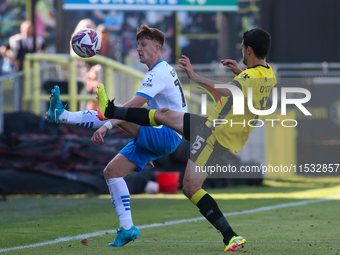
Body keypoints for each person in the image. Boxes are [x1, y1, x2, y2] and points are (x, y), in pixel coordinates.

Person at [92, 28, 277, 252]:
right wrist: (239, 71)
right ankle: (112, 110)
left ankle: (231, 235)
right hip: (218, 130)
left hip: (214, 135)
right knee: (163, 115)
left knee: (190, 187)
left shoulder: (249, 77)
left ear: (248, 50)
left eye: (242, 49)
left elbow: (229, 91)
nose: (241, 52)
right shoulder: (268, 74)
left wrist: (195, 77)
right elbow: (251, 86)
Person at [46, 25, 187, 247]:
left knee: (114, 111)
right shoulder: (160, 70)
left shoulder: (157, 73)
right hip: (162, 134)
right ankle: (127, 228)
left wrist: (107, 126)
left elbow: (134, 107)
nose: (138, 49)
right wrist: (148, 145)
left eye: (144, 45)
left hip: (167, 134)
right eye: (138, 44)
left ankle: (62, 116)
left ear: (157, 48)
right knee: (112, 172)